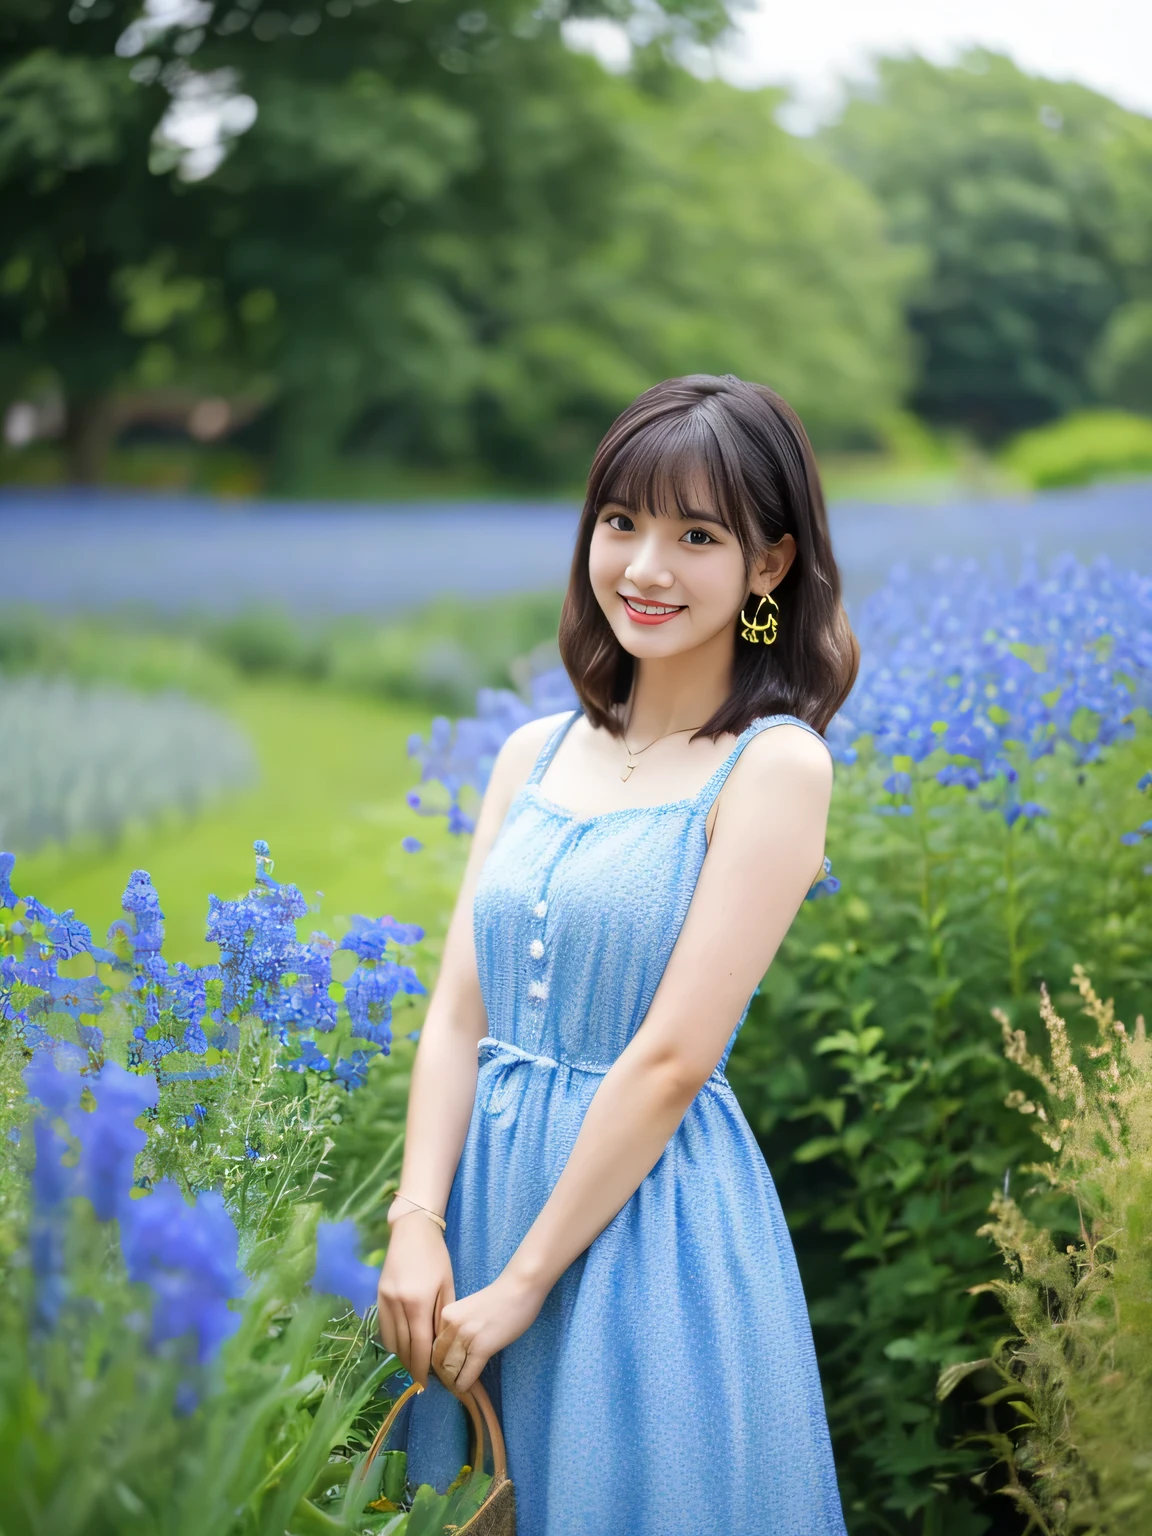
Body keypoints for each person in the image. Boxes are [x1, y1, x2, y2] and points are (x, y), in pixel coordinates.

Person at [378, 374, 856, 1535]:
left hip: (640, 1232)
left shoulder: (774, 766)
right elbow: (457, 1013)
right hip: (483, 1211)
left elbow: (671, 1060)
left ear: (770, 566)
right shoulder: (533, 752)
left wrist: (528, 1281)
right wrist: (417, 1219)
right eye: (622, 522)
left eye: (698, 535)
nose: (645, 567)